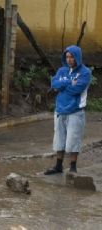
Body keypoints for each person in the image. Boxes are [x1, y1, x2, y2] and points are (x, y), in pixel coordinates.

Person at [44, 45, 92, 175]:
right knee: (59, 139)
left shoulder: (85, 72)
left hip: (76, 111)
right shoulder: (62, 70)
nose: (69, 59)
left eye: (72, 57)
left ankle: (73, 167)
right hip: (60, 110)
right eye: (67, 57)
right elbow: (54, 84)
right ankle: (58, 166)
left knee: (73, 140)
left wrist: (62, 85)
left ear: (78, 57)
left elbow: (77, 90)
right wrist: (68, 82)